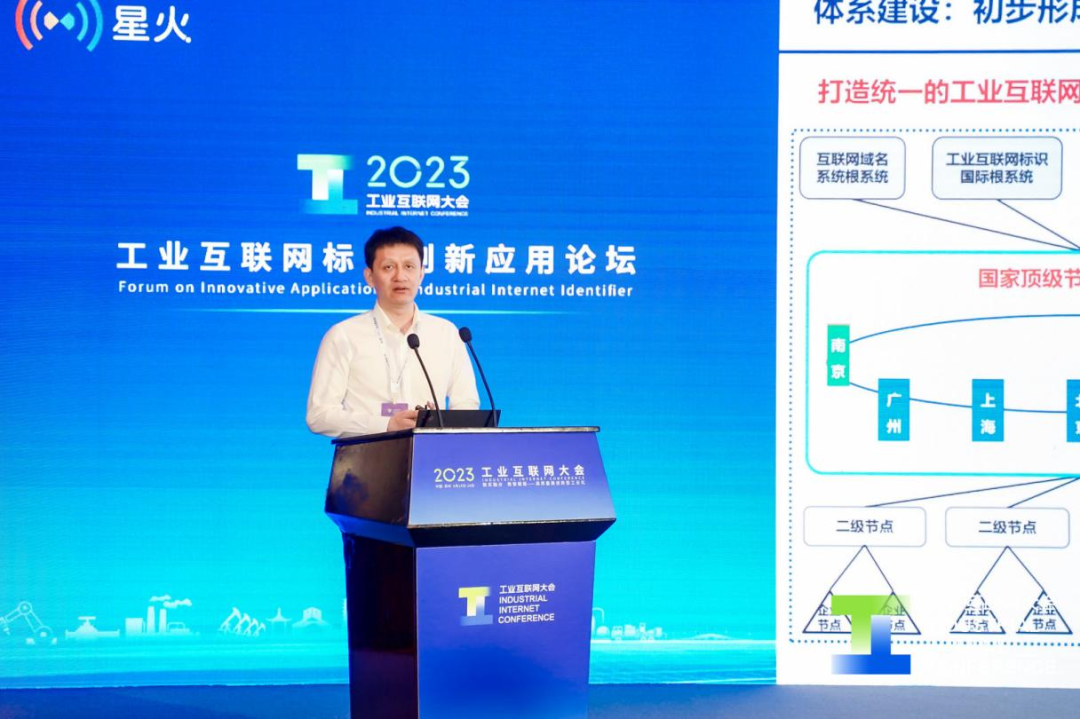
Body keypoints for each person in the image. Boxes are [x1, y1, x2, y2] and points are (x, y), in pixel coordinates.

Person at [306, 226, 479, 437]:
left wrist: (441, 422)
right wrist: (385, 424)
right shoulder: (343, 335)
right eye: (388, 267)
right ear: (370, 276)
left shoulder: (446, 333)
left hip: (432, 455)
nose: (400, 276)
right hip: (365, 455)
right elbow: (319, 415)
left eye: (409, 266)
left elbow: (467, 404)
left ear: (421, 274)